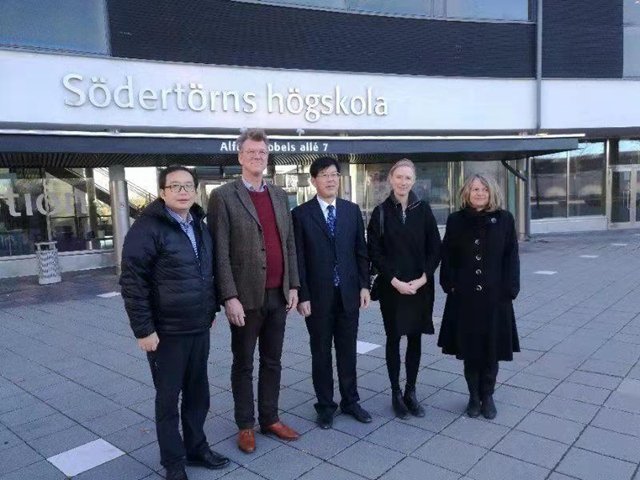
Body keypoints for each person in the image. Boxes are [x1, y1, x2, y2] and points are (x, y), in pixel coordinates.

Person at [120, 166, 229, 480]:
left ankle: (197, 448)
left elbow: (206, 274)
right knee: (168, 400)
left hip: (198, 326)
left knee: (198, 394)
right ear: (162, 192)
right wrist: (144, 330)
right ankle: (173, 463)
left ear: (195, 190)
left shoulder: (199, 224)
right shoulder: (147, 228)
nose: (183, 191)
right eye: (175, 186)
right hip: (166, 332)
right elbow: (133, 282)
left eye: (188, 186)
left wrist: (210, 312)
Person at [208, 129, 300, 454]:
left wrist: (293, 285)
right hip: (244, 297)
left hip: (278, 293)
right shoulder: (223, 196)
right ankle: (245, 424)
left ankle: (270, 418)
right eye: (251, 152)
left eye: (262, 152)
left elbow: (289, 243)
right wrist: (228, 296)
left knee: (273, 361)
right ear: (240, 157)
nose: (257, 157)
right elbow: (219, 251)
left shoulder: (279, 194)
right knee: (244, 363)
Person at [292, 157, 372, 429]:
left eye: (334, 174)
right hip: (317, 297)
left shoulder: (351, 211)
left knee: (348, 351)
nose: (330, 179)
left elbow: (361, 251)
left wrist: (364, 285)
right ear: (314, 180)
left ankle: (351, 400)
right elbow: (299, 259)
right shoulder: (301, 215)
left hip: (349, 293)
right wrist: (302, 295)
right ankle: (325, 406)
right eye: (324, 175)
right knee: (321, 353)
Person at [438, 173, 520, 420]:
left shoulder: (505, 219)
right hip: (465, 298)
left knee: (491, 350)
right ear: (467, 192)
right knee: (471, 350)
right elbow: (447, 255)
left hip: (496, 297)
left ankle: (488, 395)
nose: (480, 193)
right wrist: (450, 284)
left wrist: (511, 288)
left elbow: (511, 256)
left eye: (484, 189)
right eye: (475, 189)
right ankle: (474, 397)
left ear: (492, 192)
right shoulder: (456, 220)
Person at [367, 159, 441, 419]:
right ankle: (395, 393)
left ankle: (411, 391)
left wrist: (423, 278)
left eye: (408, 177)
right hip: (392, 288)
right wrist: (394, 281)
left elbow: (435, 248)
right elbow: (374, 252)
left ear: (414, 181)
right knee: (393, 338)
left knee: (415, 339)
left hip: (420, 287)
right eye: (399, 177)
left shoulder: (424, 210)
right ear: (391, 179)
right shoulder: (380, 212)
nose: (403, 182)